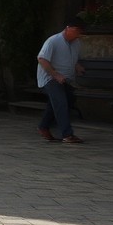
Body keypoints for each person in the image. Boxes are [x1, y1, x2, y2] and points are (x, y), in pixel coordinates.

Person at [36, 16, 87, 144]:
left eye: (80, 32)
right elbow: (41, 59)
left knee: (68, 99)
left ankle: (43, 126)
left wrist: (77, 66)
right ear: (68, 28)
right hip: (49, 78)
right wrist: (56, 75)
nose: (79, 35)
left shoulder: (76, 43)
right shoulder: (53, 41)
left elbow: (70, 59)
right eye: (77, 31)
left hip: (64, 80)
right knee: (60, 101)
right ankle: (67, 135)